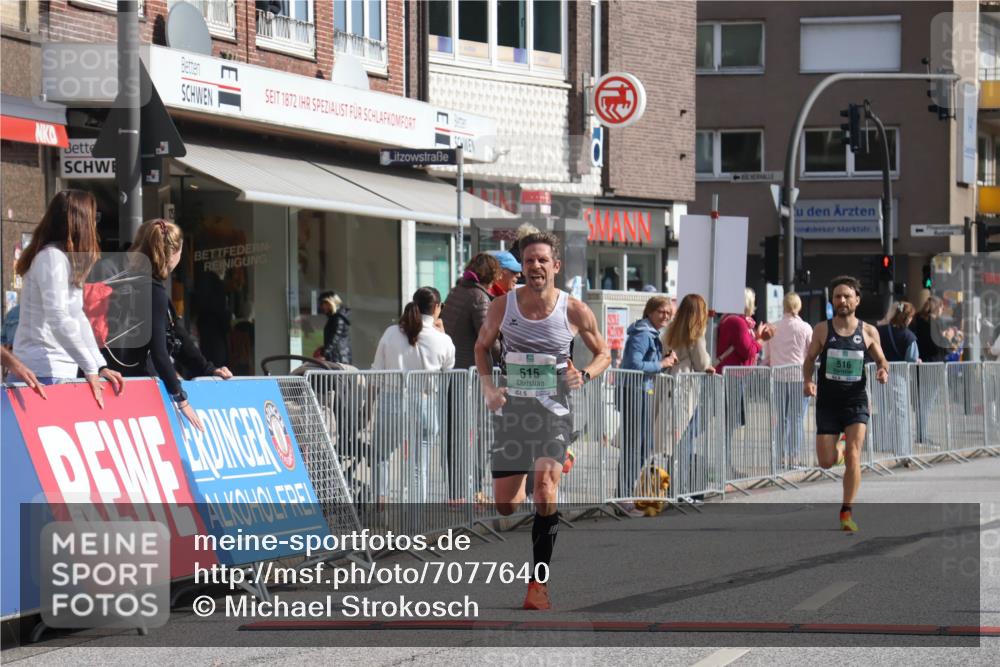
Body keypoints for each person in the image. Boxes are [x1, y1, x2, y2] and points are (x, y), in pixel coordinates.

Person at [475, 232, 611, 610]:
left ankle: (538, 583)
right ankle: (547, 463)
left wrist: (585, 374)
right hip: (514, 412)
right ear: (522, 267)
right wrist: (489, 388)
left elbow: (604, 352)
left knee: (545, 491)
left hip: (553, 412)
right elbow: (481, 347)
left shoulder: (574, 310)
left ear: (556, 266)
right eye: (529, 260)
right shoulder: (502, 306)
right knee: (506, 505)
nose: (535, 266)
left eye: (542, 260)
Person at [113, 220, 233, 431]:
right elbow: (159, 352)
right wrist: (181, 398)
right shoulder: (153, 291)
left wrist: (208, 369)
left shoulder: (125, 281)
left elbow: (177, 334)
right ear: (172, 254)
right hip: (137, 389)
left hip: (115, 383)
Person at [11, 190, 124, 408]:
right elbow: (59, 317)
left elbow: (77, 316)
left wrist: (98, 365)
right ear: (80, 222)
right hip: (42, 370)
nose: (96, 224)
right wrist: (90, 367)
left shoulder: (62, 259)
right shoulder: (51, 258)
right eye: (94, 217)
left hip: (55, 370)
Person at [803, 276, 890, 533]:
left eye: (847, 296)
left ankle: (846, 511)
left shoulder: (868, 331)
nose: (842, 300)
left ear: (857, 300)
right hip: (828, 403)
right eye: (837, 296)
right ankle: (838, 450)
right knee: (826, 461)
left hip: (855, 400)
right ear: (832, 301)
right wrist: (807, 381)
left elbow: (882, 360)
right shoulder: (822, 329)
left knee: (855, 454)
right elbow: (809, 360)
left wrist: (882, 371)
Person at [372, 287, 456, 503]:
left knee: (381, 456)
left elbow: (376, 372)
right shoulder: (442, 340)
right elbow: (448, 370)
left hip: (391, 399)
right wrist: (442, 333)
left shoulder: (391, 333)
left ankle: (380, 505)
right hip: (424, 402)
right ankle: (416, 517)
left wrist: (367, 404)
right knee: (419, 467)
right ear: (436, 307)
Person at [442, 253, 502, 503]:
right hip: (471, 375)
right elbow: (488, 339)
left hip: (454, 372)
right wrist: (506, 360)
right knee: (478, 434)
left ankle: (457, 493)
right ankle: (474, 490)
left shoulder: (457, 291)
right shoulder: (479, 298)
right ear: (491, 276)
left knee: (455, 434)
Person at [616, 296, 676, 507]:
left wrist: (663, 362)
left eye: (668, 313)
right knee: (634, 445)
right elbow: (635, 365)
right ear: (650, 312)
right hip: (634, 391)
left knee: (643, 445)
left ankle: (626, 493)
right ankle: (622, 496)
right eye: (661, 312)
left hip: (643, 390)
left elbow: (646, 365)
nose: (665, 316)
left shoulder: (650, 333)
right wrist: (661, 363)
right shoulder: (642, 334)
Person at [664, 294, 715, 497]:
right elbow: (702, 363)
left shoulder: (670, 329)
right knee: (686, 438)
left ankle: (670, 485)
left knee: (672, 439)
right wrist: (709, 365)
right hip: (687, 389)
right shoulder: (695, 334)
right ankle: (682, 488)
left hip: (669, 385)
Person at [764, 292, 814, 467]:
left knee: (781, 419)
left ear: (783, 306)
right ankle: (794, 457)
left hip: (778, 377)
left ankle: (780, 457)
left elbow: (767, 356)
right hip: (799, 377)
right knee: (797, 418)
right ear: (799, 307)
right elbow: (811, 354)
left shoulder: (773, 328)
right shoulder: (806, 328)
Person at [319, 291, 352, 364]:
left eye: (324, 303)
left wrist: (325, 353)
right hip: (337, 356)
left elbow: (335, 337)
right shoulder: (335, 317)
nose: (322, 306)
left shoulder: (338, 317)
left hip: (339, 357)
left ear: (330, 303)